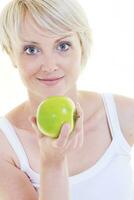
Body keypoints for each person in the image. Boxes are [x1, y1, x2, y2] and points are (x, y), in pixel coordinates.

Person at [0, 0, 133, 199]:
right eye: (31, 50)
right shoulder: (5, 146)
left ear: (82, 46)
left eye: (63, 45)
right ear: (11, 53)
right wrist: (52, 163)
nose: (49, 65)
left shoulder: (122, 115)